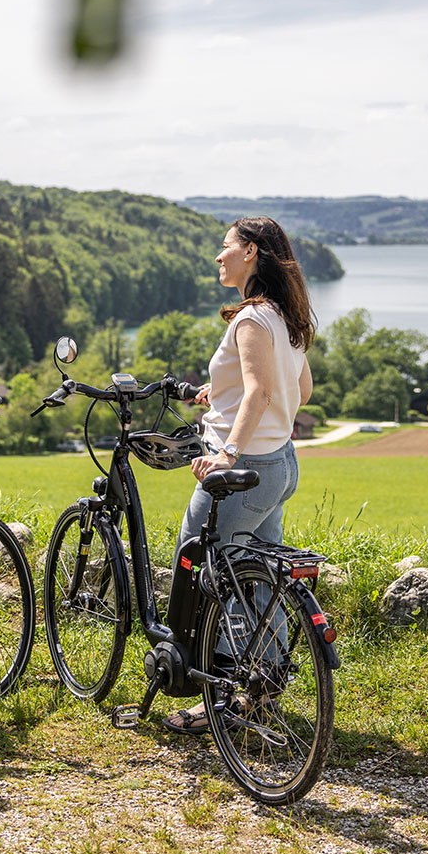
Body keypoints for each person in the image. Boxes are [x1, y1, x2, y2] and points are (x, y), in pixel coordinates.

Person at [164, 216, 315, 735]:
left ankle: (219, 699)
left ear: (250, 251)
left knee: (204, 568)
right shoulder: (286, 318)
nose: (218, 256)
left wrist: (226, 452)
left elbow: (260, 393)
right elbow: (301, 391)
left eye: (225, 247)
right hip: (280, 465)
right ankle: (262, 691)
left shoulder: (250, 320)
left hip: (244, 470)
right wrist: (222, 393)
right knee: (259, 583)